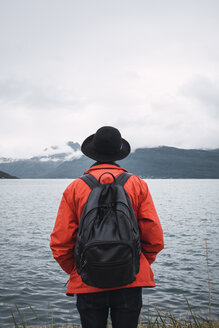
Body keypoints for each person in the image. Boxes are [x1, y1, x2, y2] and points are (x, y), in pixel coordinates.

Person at [50, 126, 164, 328]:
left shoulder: (75, 188)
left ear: (93, 152)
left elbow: (60, 242)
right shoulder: (137, 184)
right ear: (118, 152)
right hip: (130, 277)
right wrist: (133, 263)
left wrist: (80, 268)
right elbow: (154, 237)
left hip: (87, 280)